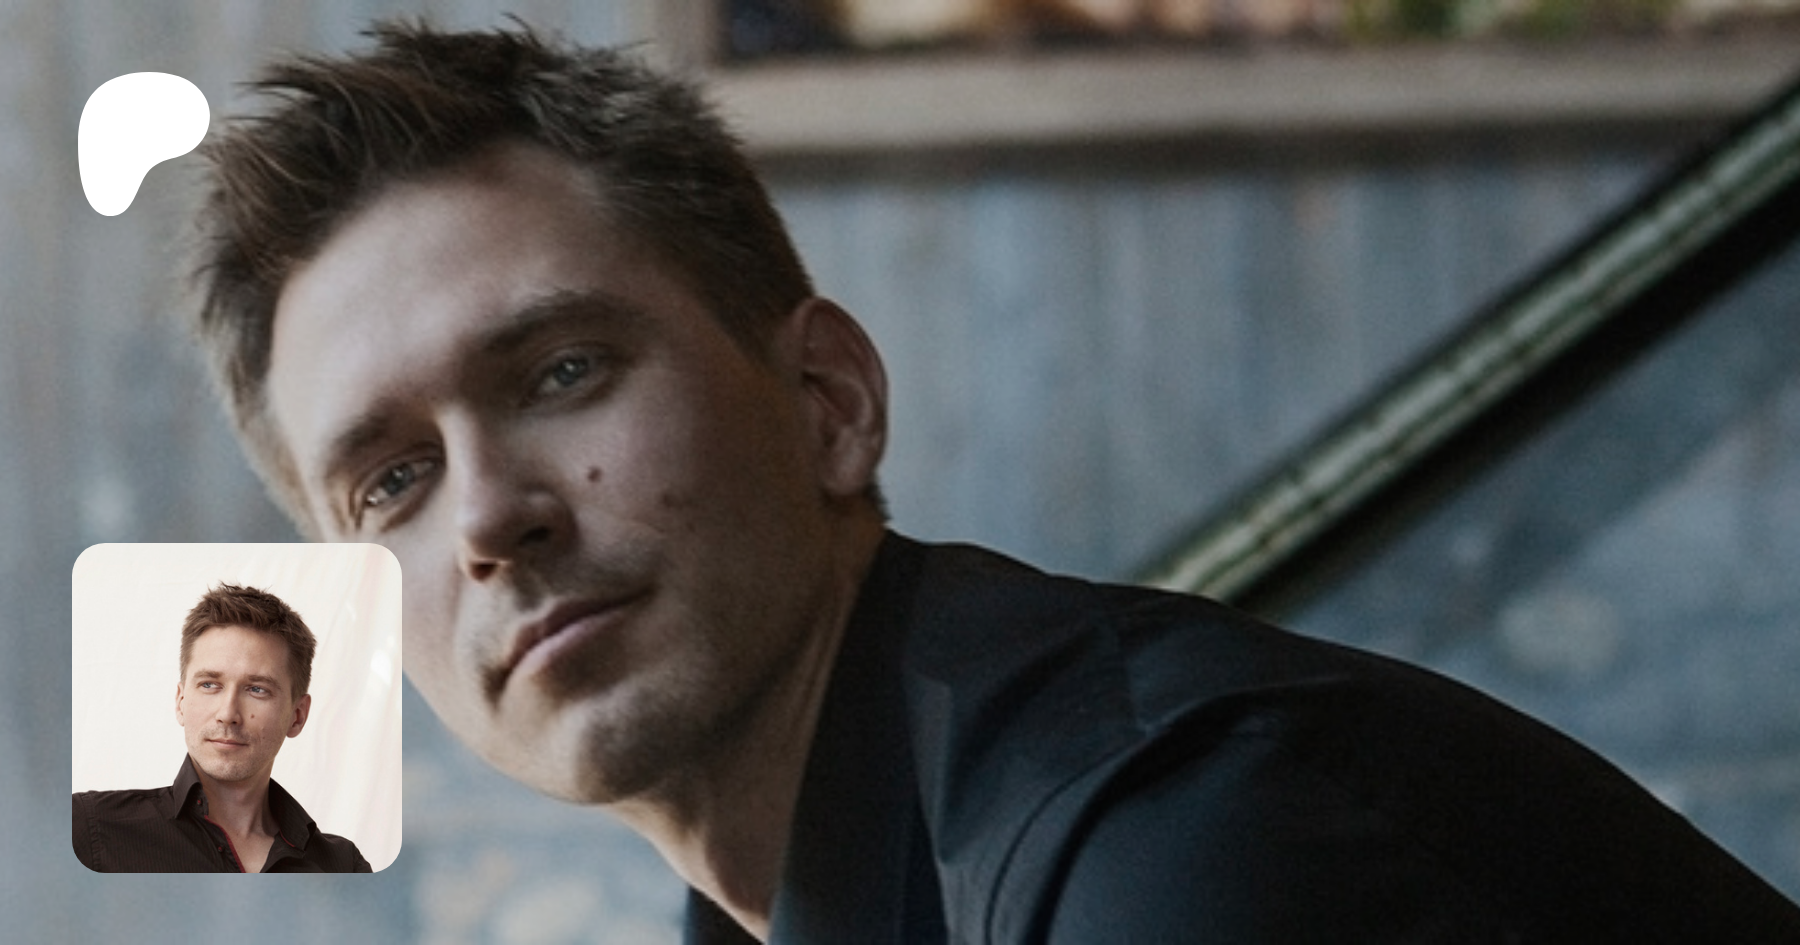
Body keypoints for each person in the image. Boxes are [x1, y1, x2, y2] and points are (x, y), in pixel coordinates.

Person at [184, 21, 1800, 940]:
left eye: (560, 373)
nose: (491, 518)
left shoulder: (1180, 849)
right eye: (389, 482)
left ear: (829, 401)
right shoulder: (773, 905)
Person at [70, 583, 371, 873]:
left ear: (297, 715)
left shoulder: (343, 867)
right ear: (181, 701)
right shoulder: (87, 827)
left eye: (257, 689)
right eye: (209, 684)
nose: (228, 714)